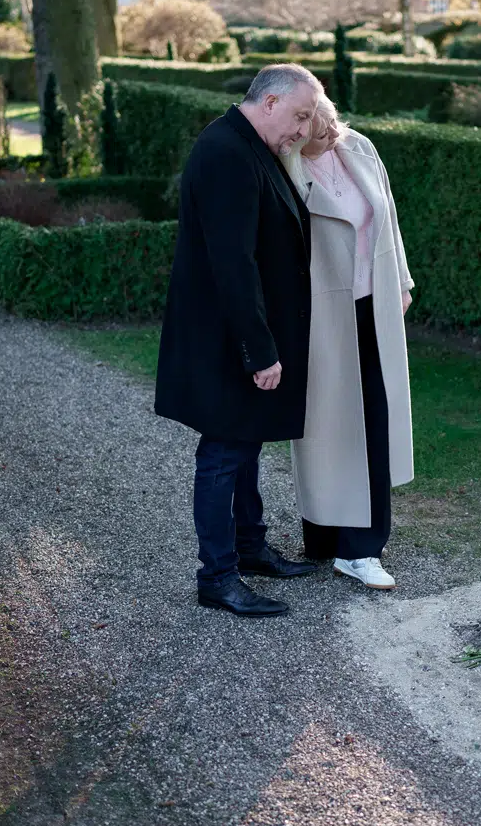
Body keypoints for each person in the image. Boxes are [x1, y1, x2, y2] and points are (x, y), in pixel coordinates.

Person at [155, 64, 323, 618]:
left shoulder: (249, 144)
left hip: (241, 330)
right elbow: (233, 263)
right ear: (270, 102)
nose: (303, 129)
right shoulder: (227, 152)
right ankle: (217, 576)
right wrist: (260, 349)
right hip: (226, 336)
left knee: (246, 442)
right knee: (224, 453)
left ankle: (250, 548)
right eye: (300, 115)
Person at [283, 97, 415, 590]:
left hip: (373, 303)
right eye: (321, 130)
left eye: (334, 121)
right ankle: (323, 537)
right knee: (324, 425)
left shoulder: (359, 147)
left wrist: (401, 281)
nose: (334, 133)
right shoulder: (285, 166)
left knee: (373, 421)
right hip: (319, 314)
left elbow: (387, 215)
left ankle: (363, 549)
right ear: (298, 130)